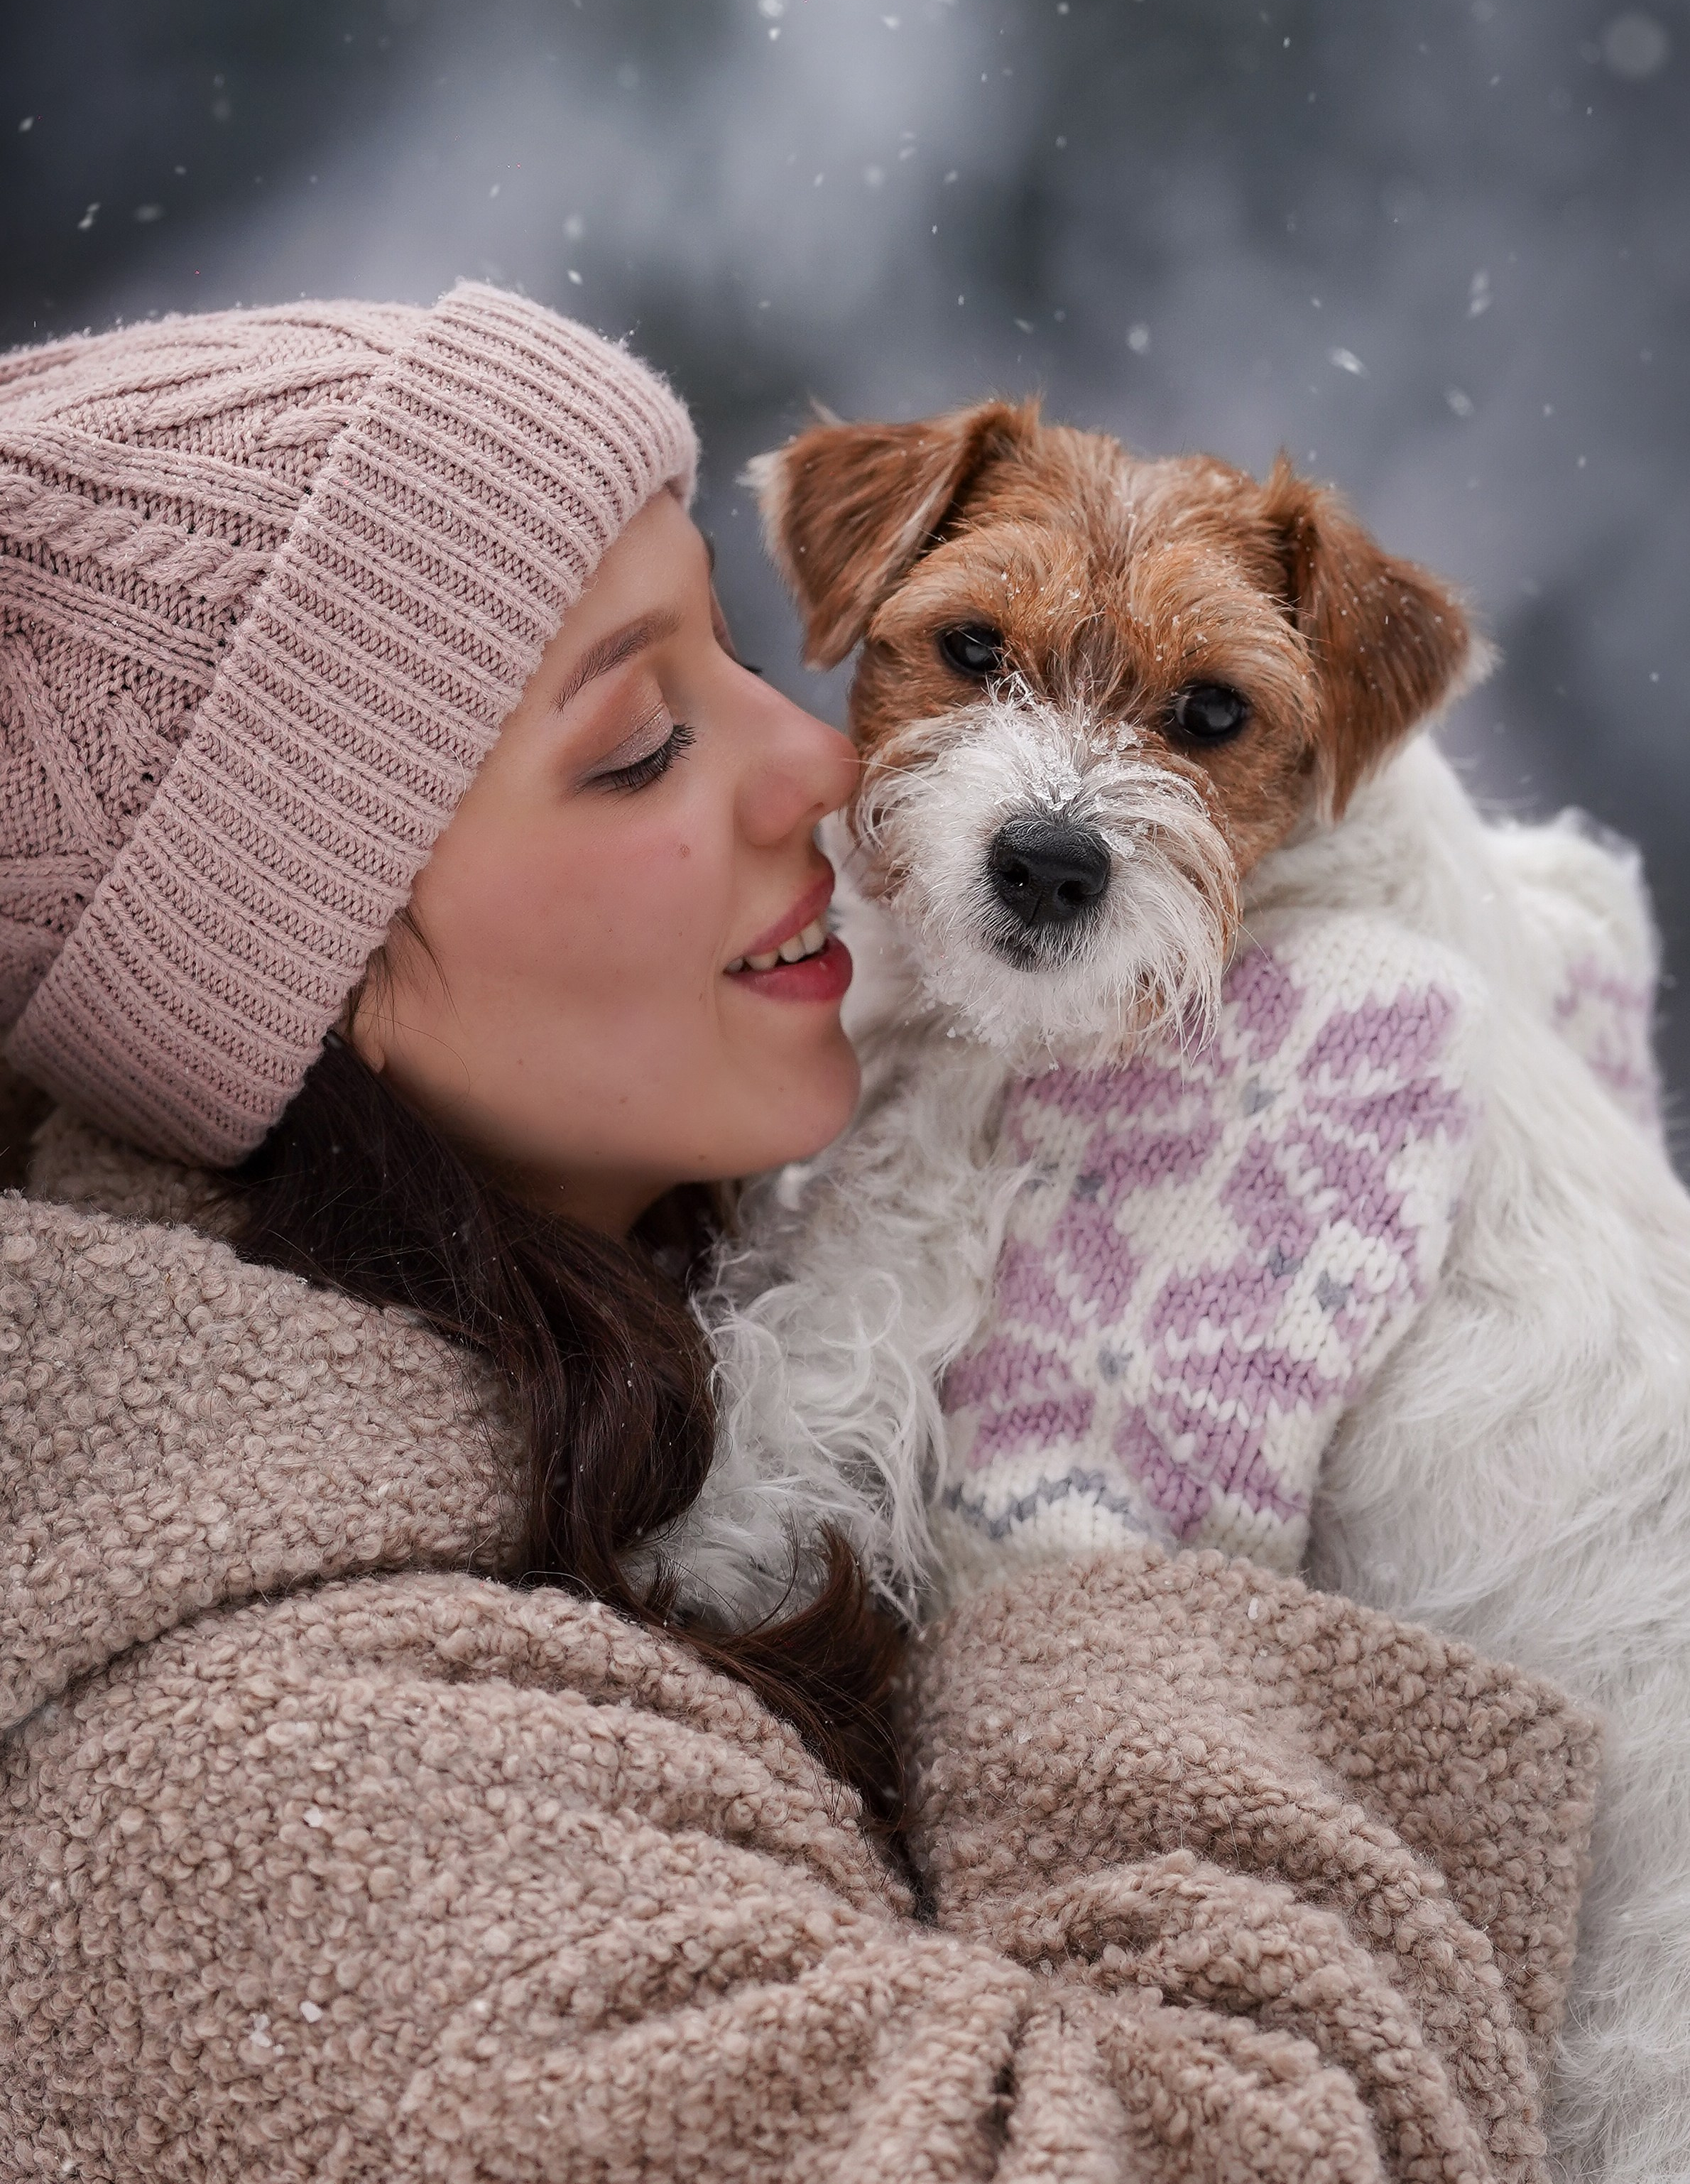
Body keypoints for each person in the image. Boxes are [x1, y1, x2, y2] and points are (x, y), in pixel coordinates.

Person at [0, 285, 1599, 2180]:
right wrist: (1108, 1553)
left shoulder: (672, 1349)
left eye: (739, 649)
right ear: (317, 969)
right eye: (634, 742)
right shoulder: (292, 1794)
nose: (818, 763)